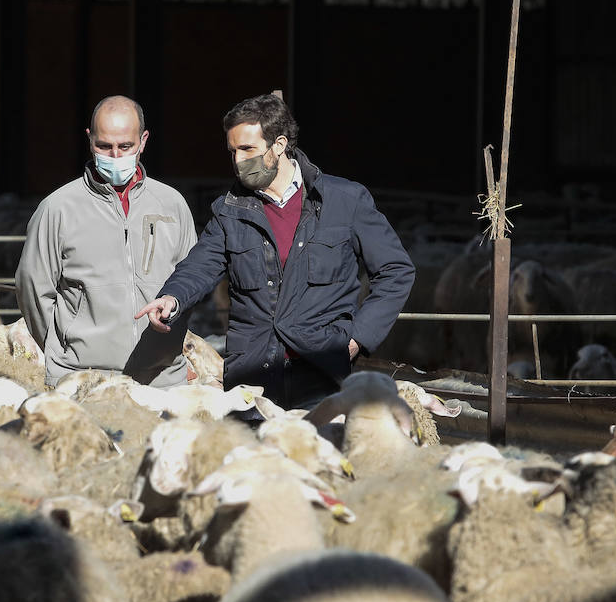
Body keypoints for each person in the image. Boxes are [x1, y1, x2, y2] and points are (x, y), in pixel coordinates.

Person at [136, 93, 416, 410]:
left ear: (279, 145)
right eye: (233, 151)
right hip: (250, 382)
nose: (239, 160)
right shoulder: (230, 209)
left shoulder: (344, 201)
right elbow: (199, 267)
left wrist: (356, 339)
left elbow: (396, 271)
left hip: (321, 375)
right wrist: (172, 297)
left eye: (248, 149)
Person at [17, 95, 197, 388]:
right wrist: (61, 348)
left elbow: (192, 280)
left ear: (143, 140)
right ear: (90, 140)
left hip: (162, 379)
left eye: (125, 146)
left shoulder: (171, 204)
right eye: (104, 146)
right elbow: (33, 287)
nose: (115, 156)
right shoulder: (58, 208)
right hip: (82, 379)